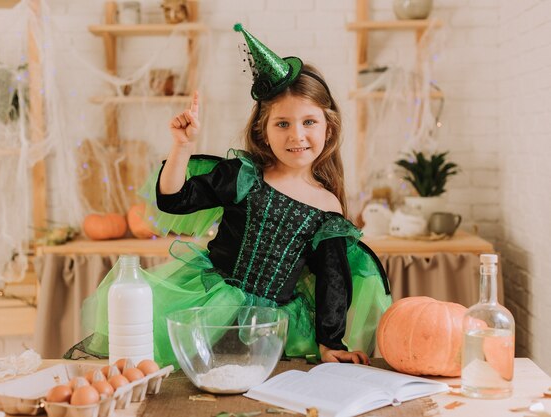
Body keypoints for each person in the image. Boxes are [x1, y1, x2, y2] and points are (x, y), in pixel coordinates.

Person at [67, 24, 391, 366]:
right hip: (209, 311)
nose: (297, 135)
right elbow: (175, 199)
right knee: (194, 380)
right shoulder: (244, 176)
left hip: (269, 330)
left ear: (329, 127)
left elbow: (333, 282)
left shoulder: (327, 208)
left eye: (309, 122)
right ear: (263, 132)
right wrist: (182, 147)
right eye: (282, 124)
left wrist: (329, 342)